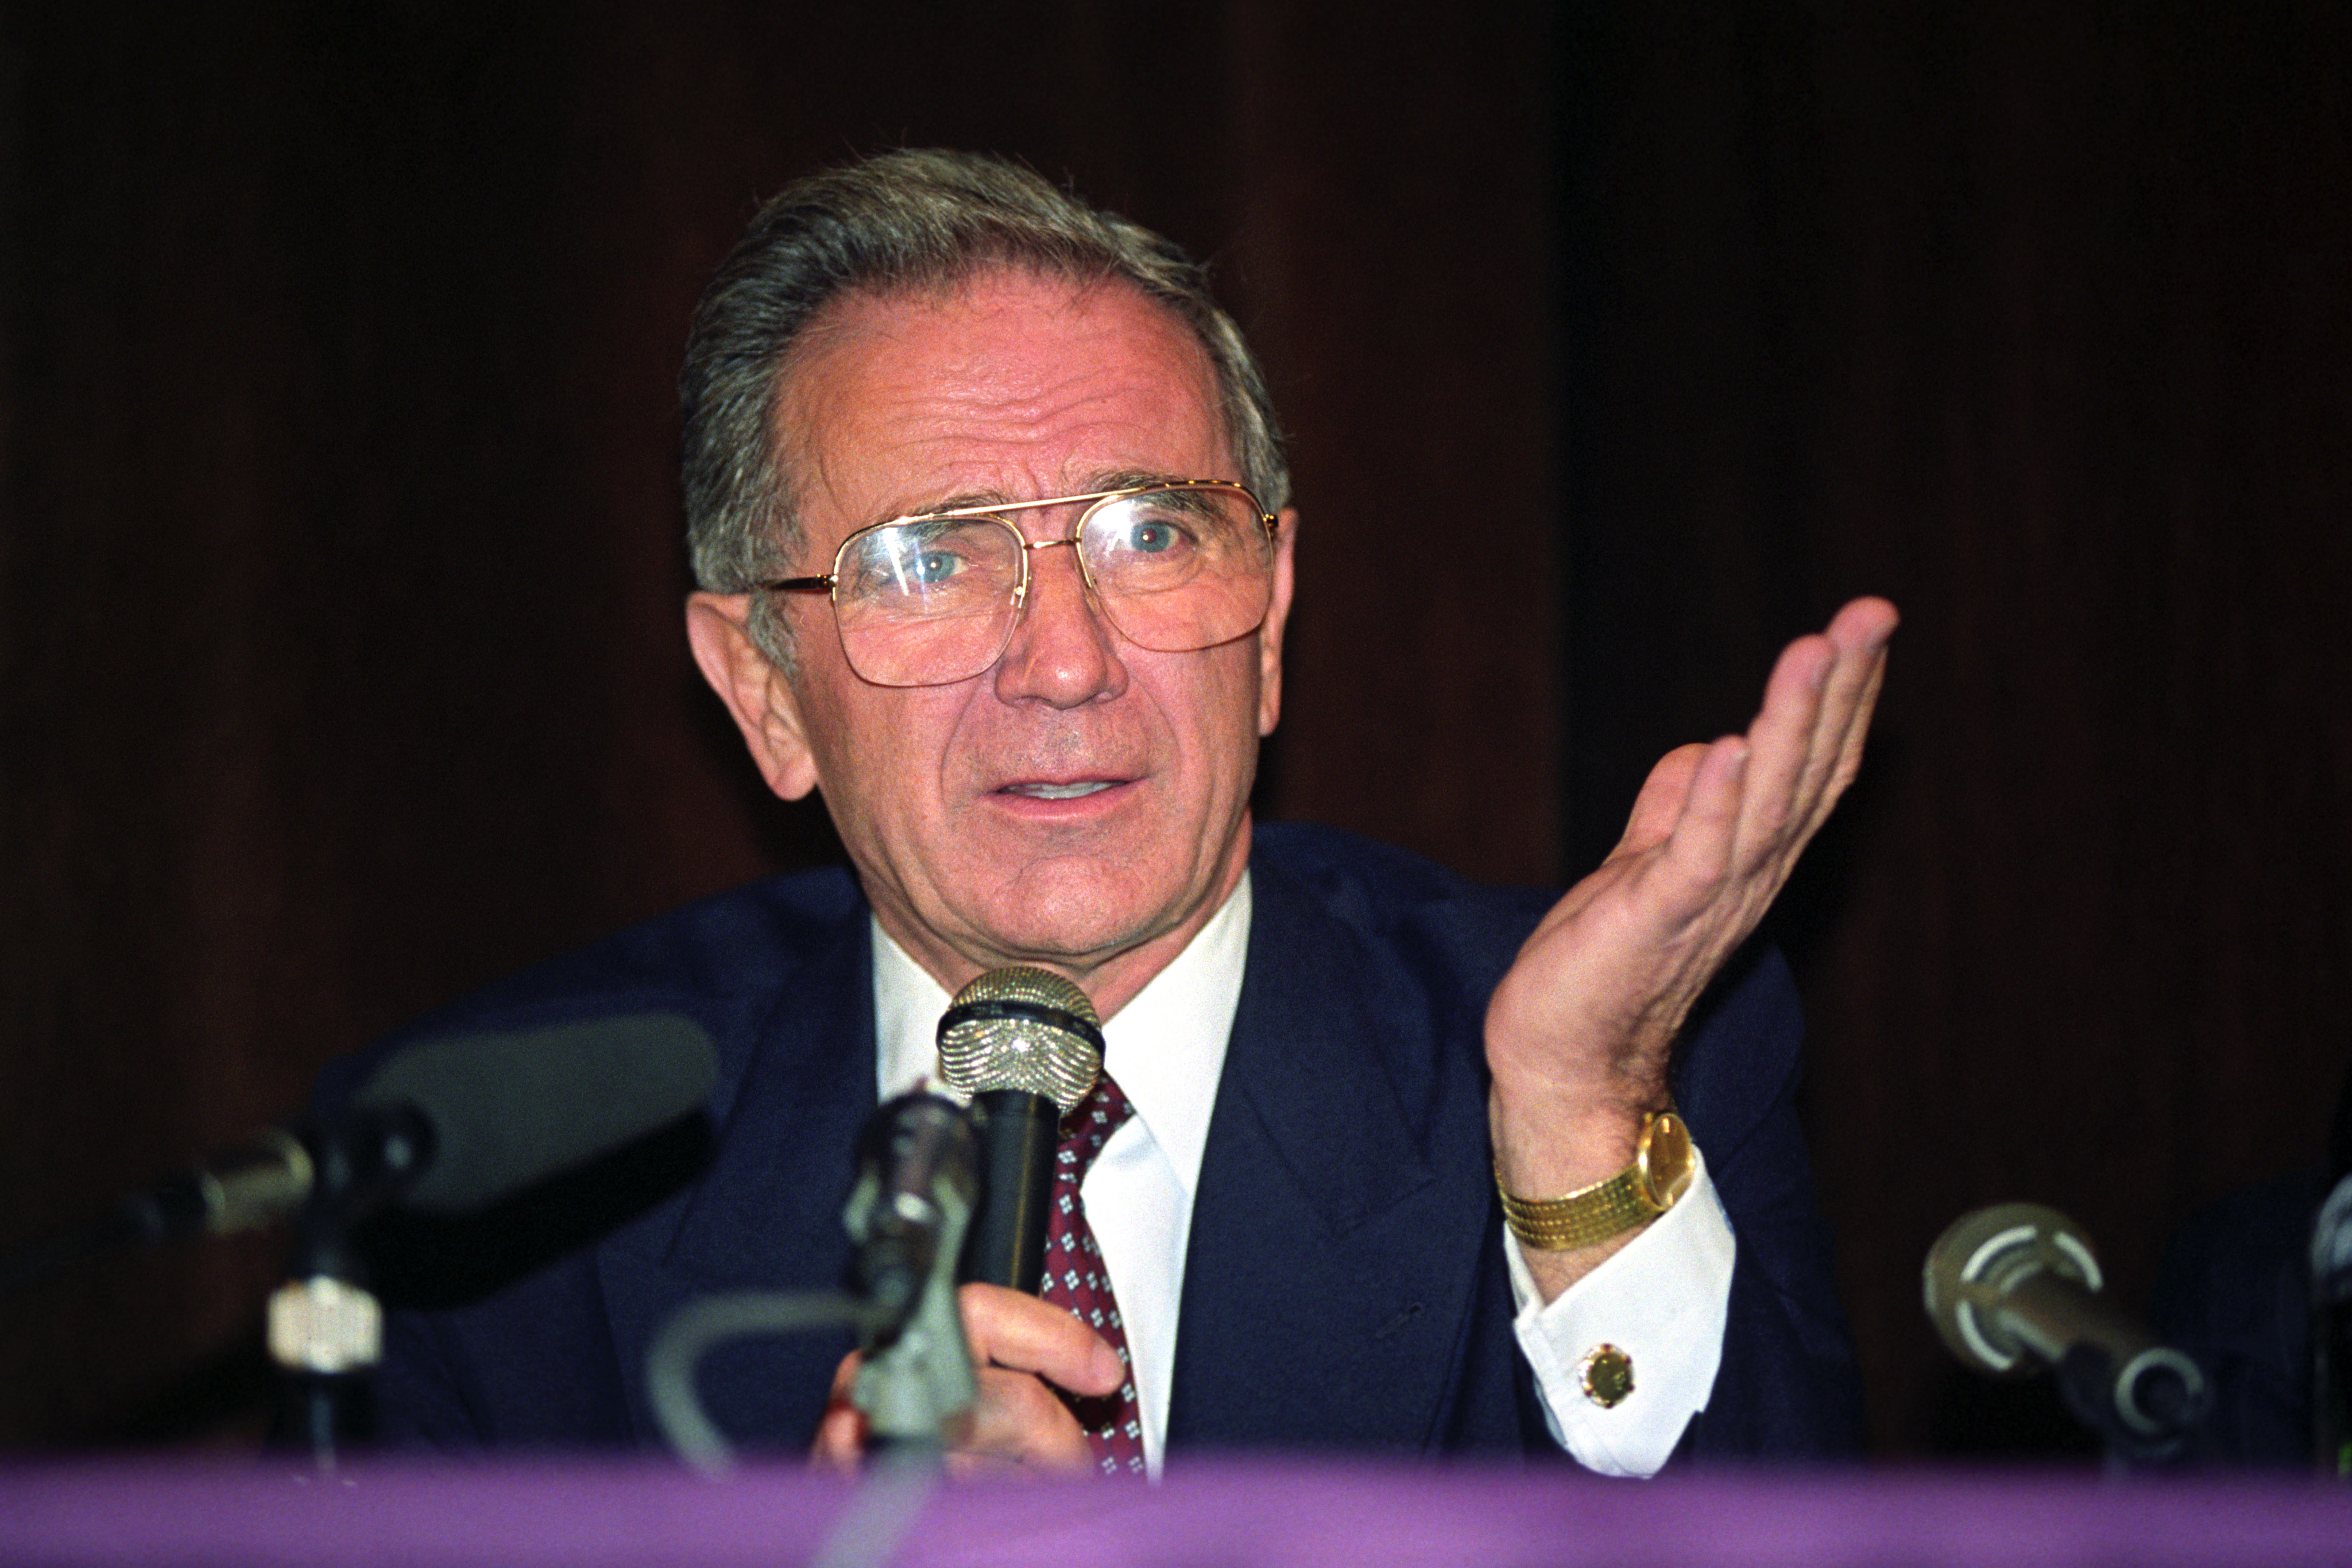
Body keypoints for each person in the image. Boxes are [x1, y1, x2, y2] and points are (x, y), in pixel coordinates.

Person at [328, 149, 1894, 1475]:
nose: (1067, 659)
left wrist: (1574, 1112)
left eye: (1152, 533)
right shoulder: (489, 1186)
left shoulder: (1624, 1062)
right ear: (764, 686)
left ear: (1270, 618)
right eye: (928, 561)